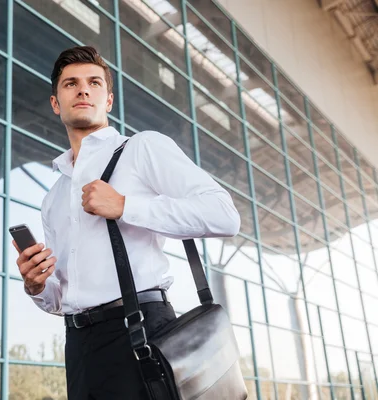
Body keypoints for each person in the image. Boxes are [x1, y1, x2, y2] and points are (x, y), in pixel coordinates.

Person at [12, 46, 240, 400]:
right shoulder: (54, 196)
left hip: (142, 332)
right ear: (56, 103)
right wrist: (36, 285)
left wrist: (124, 206)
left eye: (94, 83)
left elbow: (224, 215)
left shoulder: (141, 148)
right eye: (70, 84)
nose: (83, 90)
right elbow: (63, 296)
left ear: (109, 100)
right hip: (80, 347)